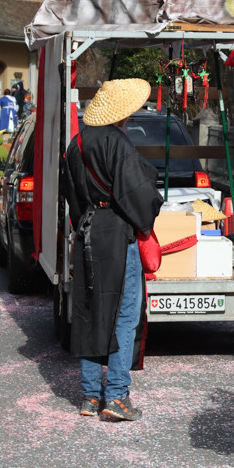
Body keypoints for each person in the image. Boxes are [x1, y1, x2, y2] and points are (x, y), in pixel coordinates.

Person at [63, 79, 162, 421]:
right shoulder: (118, 144)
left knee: (91, 310)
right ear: (123, 114)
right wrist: (147, 221)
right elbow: (139, 196)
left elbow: (72, 195)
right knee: (125, 313)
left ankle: (90, 395)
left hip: (87, 228)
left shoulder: (76, 145)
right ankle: (117, 395)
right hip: (118, 232)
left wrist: (84, 222)